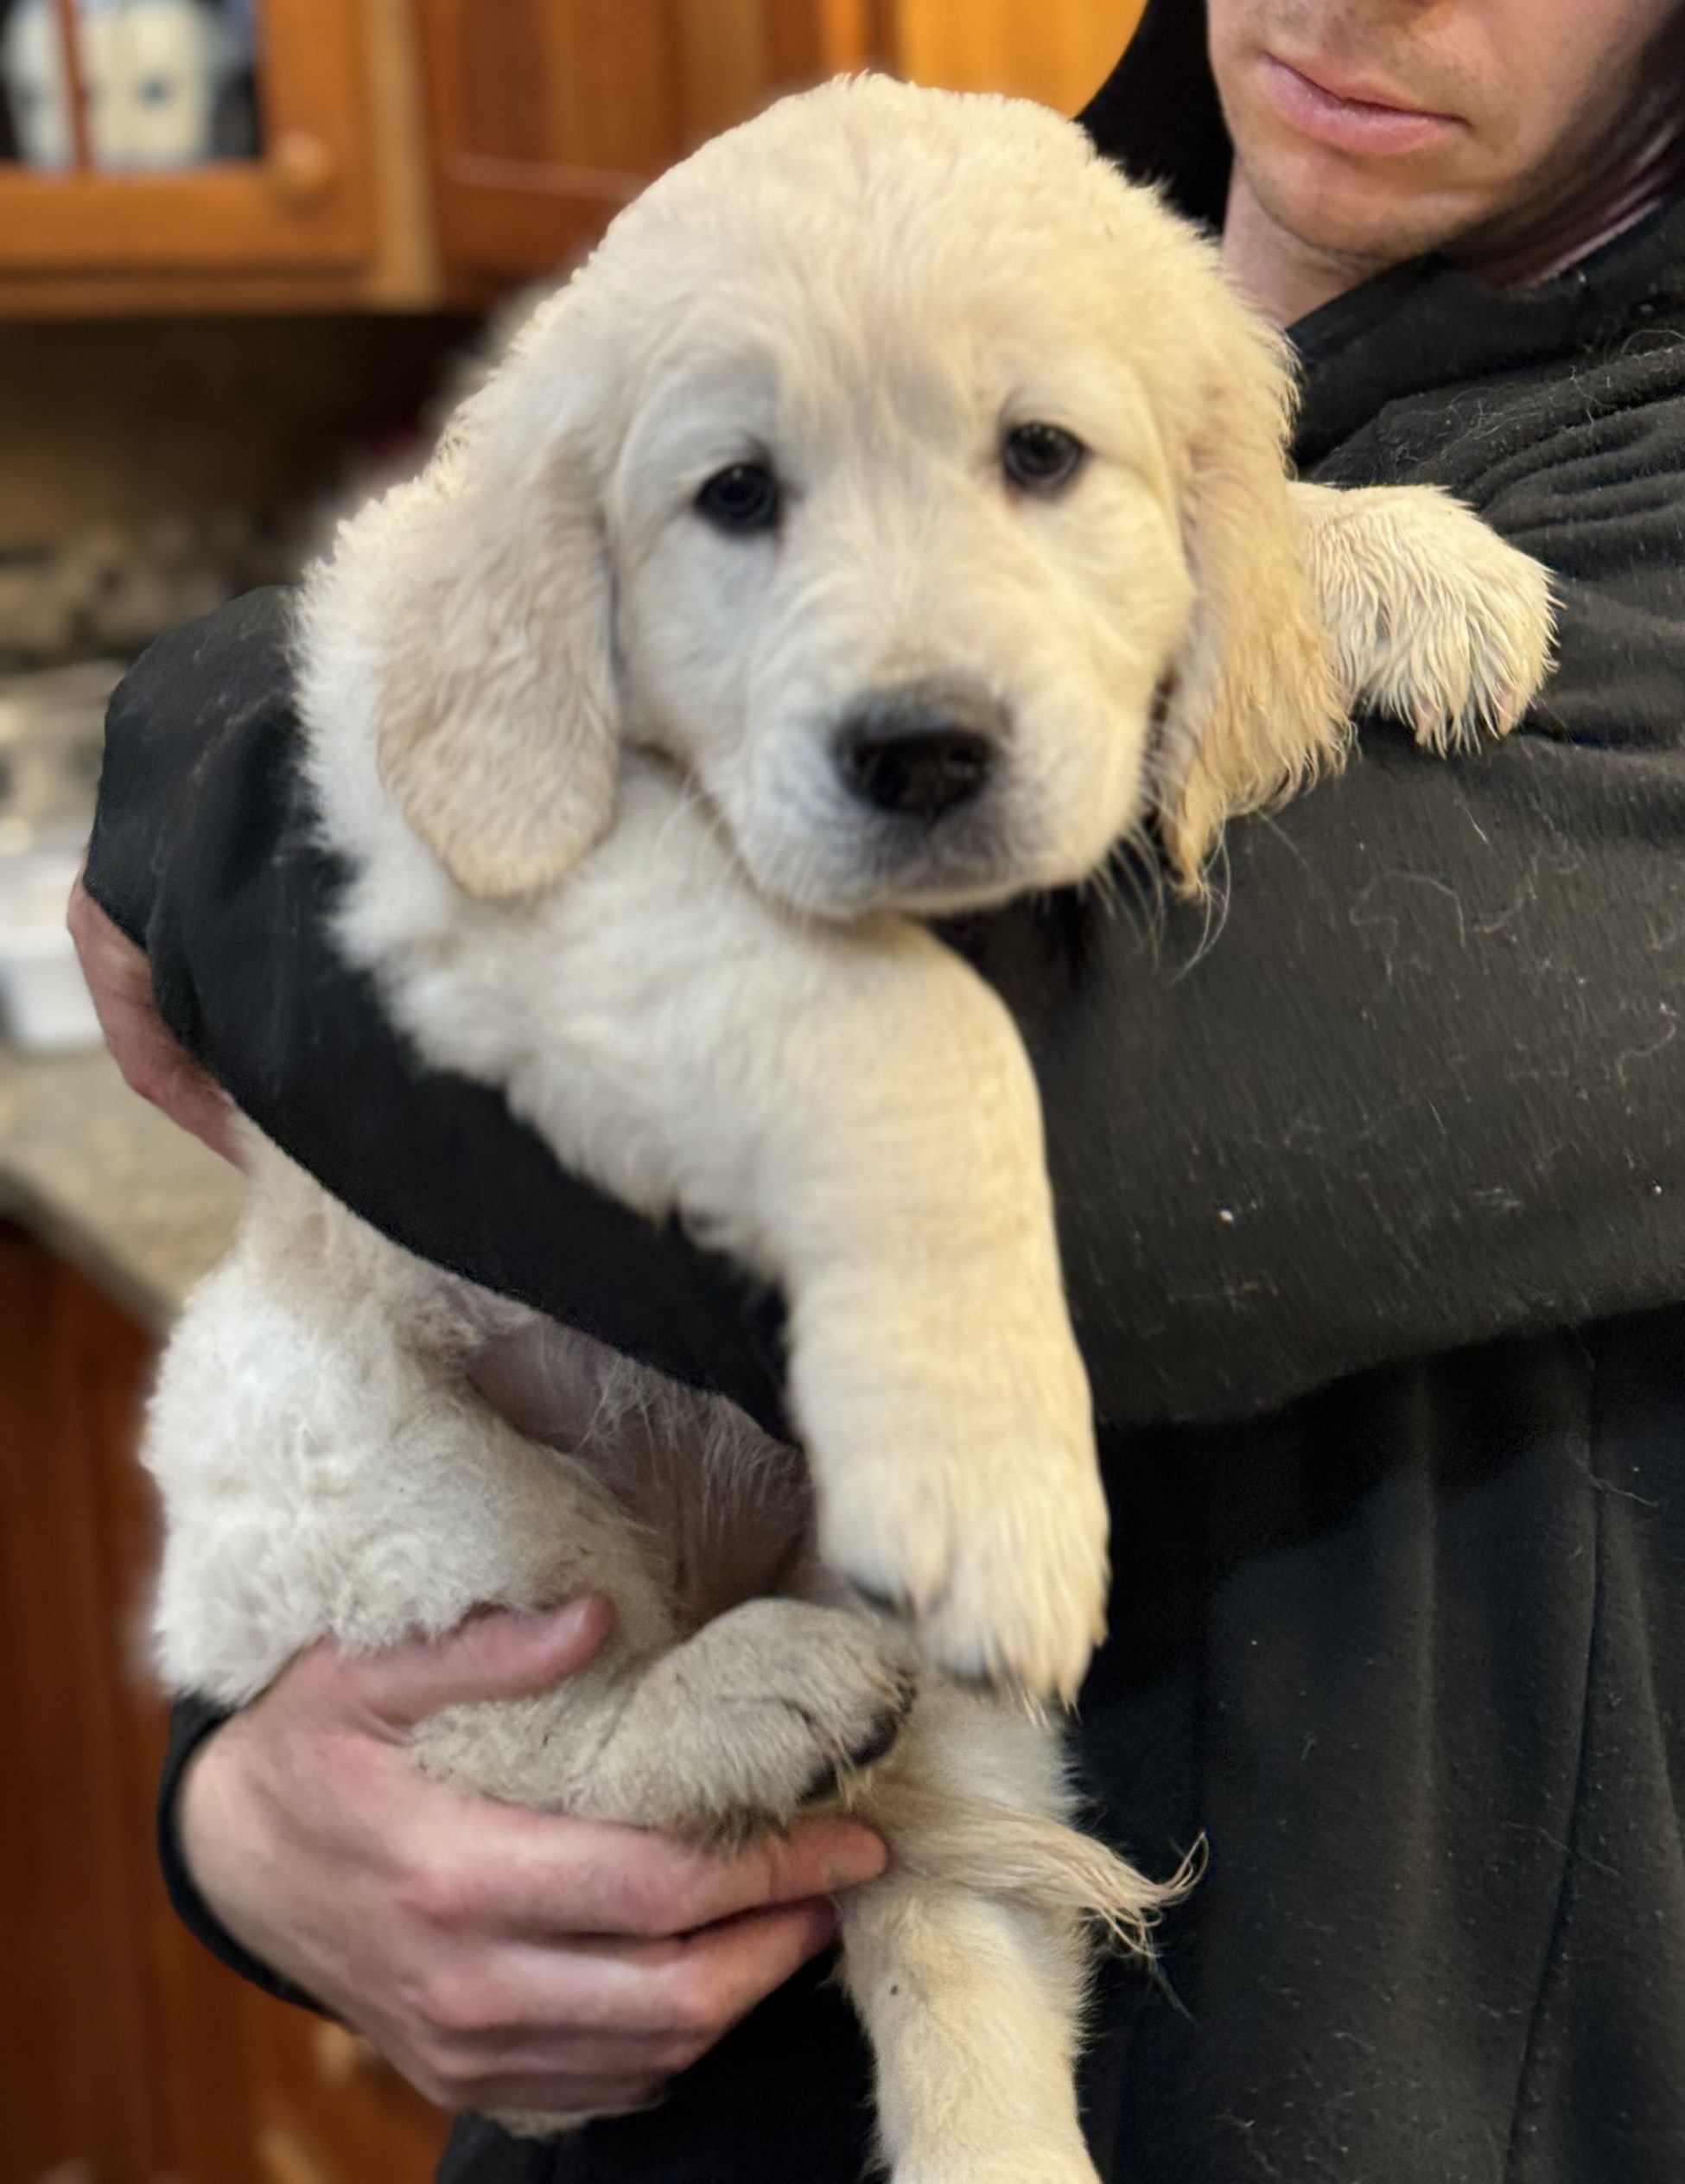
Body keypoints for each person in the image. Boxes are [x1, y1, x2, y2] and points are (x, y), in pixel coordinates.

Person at [71, 0, 1685, 2177]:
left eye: (1045, 457)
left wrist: (212, 772)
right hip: (649, 2063)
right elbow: (445, 1162)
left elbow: (1101, 1180)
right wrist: (253, 1811)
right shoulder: (892, 226)